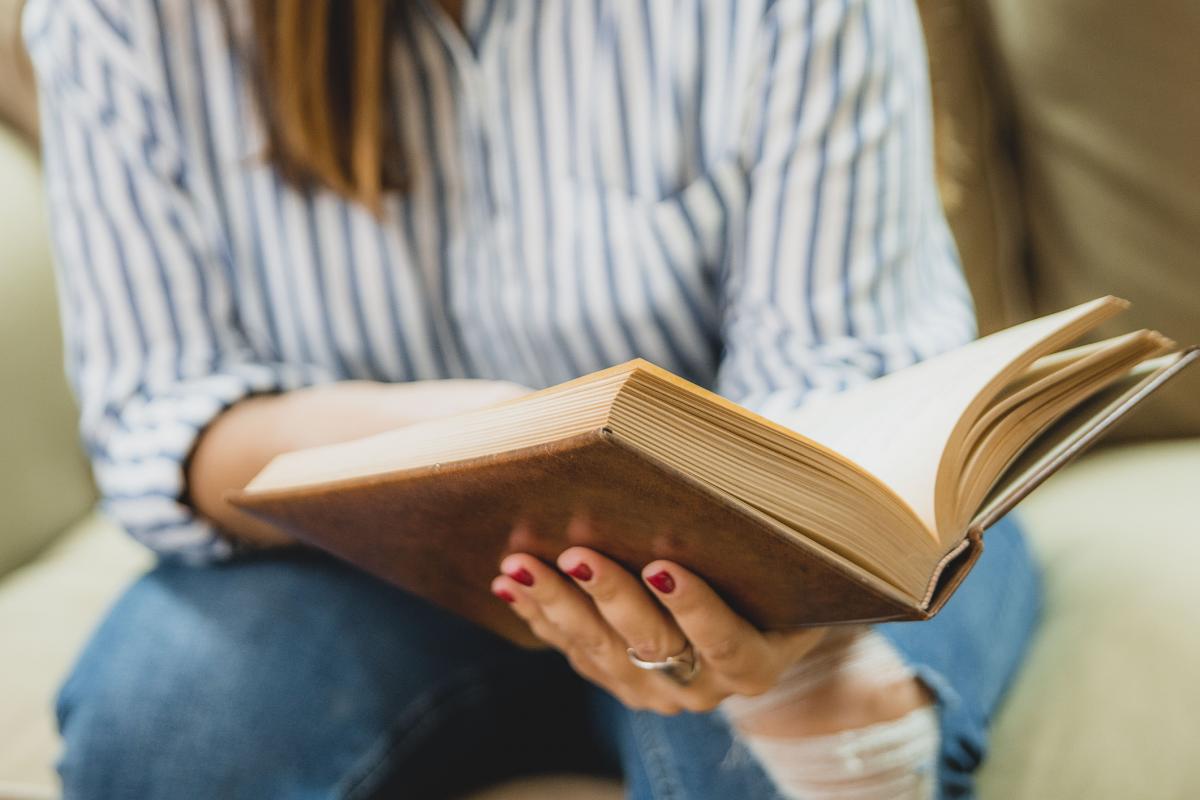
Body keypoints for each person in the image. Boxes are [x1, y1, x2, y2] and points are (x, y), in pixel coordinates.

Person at [24, 0, 1040, 797]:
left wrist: (793, 611)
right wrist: (452, 441)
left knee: (813, 742)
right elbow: (160, 409)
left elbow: (841, 381)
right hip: (357, 563)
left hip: (733, 555)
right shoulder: (122, 17)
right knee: (161, 726)